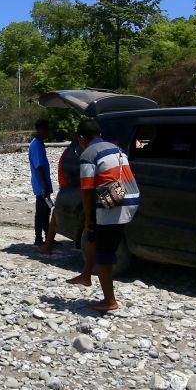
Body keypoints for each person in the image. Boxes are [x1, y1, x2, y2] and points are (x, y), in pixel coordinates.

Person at [65, 118, 139, 312]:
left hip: (114, 205)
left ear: (82, 138)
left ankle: (109, 300)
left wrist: (88, 218)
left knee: (104, 254)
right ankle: (86, 275)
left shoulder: (88, 154)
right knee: (93, 236)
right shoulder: (116, 148)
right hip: (130, 198)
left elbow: (87, 189)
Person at [39, 137, 79, 255]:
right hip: (69, 185)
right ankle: (47, 243)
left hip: (67, 185)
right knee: (55, 214)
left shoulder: (71, 153)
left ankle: (48, 243)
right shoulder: (74, 154)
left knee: (55, 214)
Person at [29, 119, 53, 247]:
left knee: (46, 211)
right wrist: (44, 185)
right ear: (40, 129)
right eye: (46, 129)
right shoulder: (36, 145)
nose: (47, 132)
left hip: (43, 184)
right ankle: (38, 238)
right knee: (41, 212)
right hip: (41, 185)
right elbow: (39, 167)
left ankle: (48, 237)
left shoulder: (38, 143)